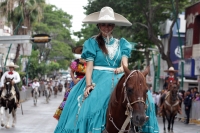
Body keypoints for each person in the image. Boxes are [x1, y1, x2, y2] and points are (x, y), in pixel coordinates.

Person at [54, 6, 158, 133]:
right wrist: (88, 85)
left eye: (109, 25)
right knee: (90, 102)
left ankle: (141, 127)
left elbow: (124, 64)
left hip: (119, 75)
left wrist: (121, 68)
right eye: (103, 25)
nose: (106, 27)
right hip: (98, 78)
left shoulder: (123, 44)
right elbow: (90, 66)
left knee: (147, 99)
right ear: (99, 25)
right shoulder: (92, 43)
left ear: (113, 26)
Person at [53, 46, 86, 120]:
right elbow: (71, 72)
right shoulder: (76, 61)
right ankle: (64, 115)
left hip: (87, 82)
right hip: (76, 82)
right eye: (82, 51)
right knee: (68, 96)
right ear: (80, 52)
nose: (84, 52)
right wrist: (74, 80)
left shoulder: (91, 61)